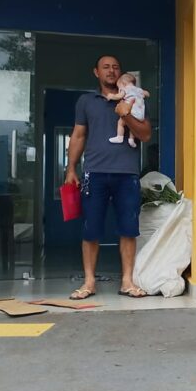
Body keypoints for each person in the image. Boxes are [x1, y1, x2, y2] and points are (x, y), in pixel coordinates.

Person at [65, 55, 152, 300]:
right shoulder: (86, 101)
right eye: (106, 67)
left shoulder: (133, 97)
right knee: (91, 228)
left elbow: (145, 135)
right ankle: (89, 282)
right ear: (96, 72)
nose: (111, 71)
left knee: (128, 228)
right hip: (95, 172)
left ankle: (127, 281)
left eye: (115, 67)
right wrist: (71, 168)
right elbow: (78, 135)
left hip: (127, 174)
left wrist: (126, 114)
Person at [104, 72, 149, 148]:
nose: (119, 89)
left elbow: (119, 96)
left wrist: (111, 96)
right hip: (140, 114)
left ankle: (119, 137)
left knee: (120, 123)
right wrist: (145, 94)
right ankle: (131, 139)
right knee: (132, 126)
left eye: (119, 87)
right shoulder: (139, 90)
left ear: (123, 84)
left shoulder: (125, 89)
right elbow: (147, 93)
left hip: (131, 112)